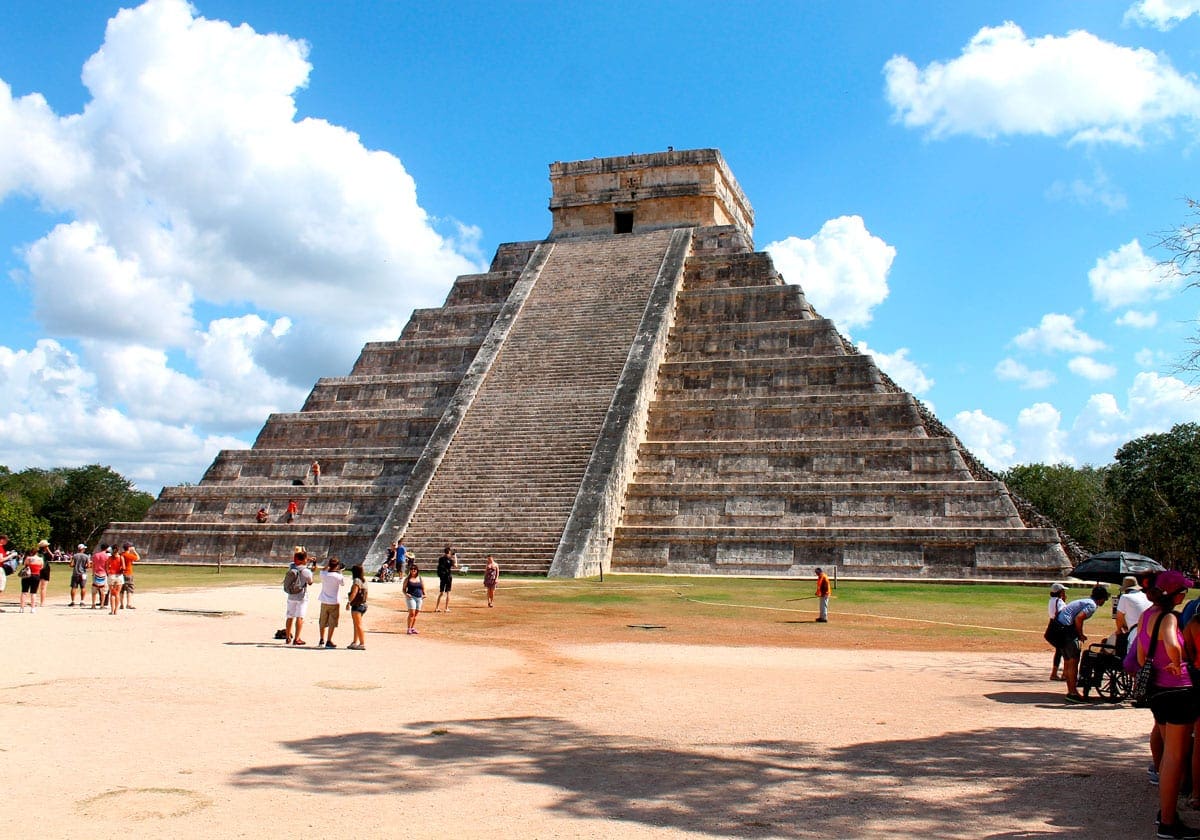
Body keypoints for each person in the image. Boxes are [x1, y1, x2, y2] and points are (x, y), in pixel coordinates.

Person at [1136, 570, 1200, 839]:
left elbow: (1141, 656)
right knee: (1175, 756)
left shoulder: (1146, 616)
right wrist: (1176, 659)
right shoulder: (1170, 617)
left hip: (1158, 690)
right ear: (1175, 595)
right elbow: (1172, 642)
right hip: (1178, 690)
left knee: (1167, 757)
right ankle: (1169, 822)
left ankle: (1166, 811)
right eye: (1183, 591)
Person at [1054, 583, 1110, 702]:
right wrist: (1081, 635)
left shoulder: (1085, 601)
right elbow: (1079, 618)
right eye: (1105, 599)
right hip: (1068, 631)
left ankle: (1071, 691)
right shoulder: (1092, 605)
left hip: (1059, 630)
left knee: (1068, 662)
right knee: (1073, 662)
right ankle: (1073, 693)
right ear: (1101, 598)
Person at [283, 549, 315, 645]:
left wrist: (306, 559)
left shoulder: (292, 567)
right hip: (301, 596)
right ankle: (297, 638)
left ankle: (288, 637)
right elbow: (310, 582)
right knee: (300, 617)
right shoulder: (306, 571)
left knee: (289, 617)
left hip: (291, 595)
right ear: (303, 560)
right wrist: (311, 570)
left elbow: (294, 563)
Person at [1115, 574, 1152, 656]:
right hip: (1151, 630)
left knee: (1131, 660)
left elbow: (1119, 617)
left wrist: (1119, 630)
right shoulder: (1146, 596)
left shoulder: (1125, 597)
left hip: (1136, 632)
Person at [316, 558, 345, 649]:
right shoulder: (338, 576)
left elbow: (322, 570)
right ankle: (329, 640)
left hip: (324, 600)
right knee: (332, 622)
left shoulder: (324, 574)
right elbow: (342, 583)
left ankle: (321, 639)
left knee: (322, 621)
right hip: (334, 601)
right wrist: (339, 571)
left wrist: (328, 566)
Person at [1045, 583, 1067, 680]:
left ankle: (1056, 673)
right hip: (1058, 627)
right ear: (1059, 592)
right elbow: (1063, 613)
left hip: (1052, 626)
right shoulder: (1059, 601)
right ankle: (1063, 673)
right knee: (1065, 650)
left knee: (1060, 650)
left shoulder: (1052, 600)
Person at [346, 565, 368, 650]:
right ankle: (354, 642)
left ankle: (362, 643)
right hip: (363, 604)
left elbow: (354, 592)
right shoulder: (364, 580)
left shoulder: (356, 581)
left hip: (357, 605)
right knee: (356, 624)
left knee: (358, 625)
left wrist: (349, 602)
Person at [402, 563, 425, 635]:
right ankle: (408, 628)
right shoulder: (407, 579)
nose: (413, 570)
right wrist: (406, 594)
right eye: (411, 569)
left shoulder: (420, 578)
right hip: (411, 597)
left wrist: (424, 594)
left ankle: (412, 628)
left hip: (419, 597)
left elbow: (423, 587)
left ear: (417, 570)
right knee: (412, 613)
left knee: (416, 614)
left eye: (414, 569)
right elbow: (403, 589)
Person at [18, 547, 43, 613]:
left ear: (31, 552)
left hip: (27, 575)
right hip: (36, 575)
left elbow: (25, 565)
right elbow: (41, 567)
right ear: (37, 552)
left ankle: (22, 608)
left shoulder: (28, 558)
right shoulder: (40, 559)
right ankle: (33, 608)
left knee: (24, 592)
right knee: (33, 593)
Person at [435, 546, 457, 613]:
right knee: (448, 593)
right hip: (448, 576)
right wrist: (455, 557)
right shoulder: (450, 560)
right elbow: (456, 565)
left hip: (442, 577)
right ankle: (446, 608)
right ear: (449, 552)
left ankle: (437, 607)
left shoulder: (441, 559)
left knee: (441, 593)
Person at [106, 546, 125, 615]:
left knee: (112, 594)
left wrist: (109, 573)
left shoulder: (109, 558)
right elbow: (123, 567)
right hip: (119, 576)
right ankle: (116, 610)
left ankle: (112, 610)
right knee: (117, 593)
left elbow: (107, 568)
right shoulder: (121, 557)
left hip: (111, 575)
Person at [120, 543, 139, 609]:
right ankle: (128, 604)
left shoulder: (121, 554)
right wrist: (134, 551)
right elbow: (138, 558)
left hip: (120, 574)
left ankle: (121, 604)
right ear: (129, 548)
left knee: (121, 589)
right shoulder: (128, 555)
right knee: (129, 589)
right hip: (128, 573)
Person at [36, 539, 52, 607]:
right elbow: (52, 556)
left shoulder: (36, 553)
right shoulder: (46, 553)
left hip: (37, 569)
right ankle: (42, 602)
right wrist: (48, 550)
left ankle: (34, 601)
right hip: (45, 570)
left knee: (36, 586)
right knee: (43, 587)